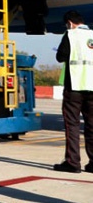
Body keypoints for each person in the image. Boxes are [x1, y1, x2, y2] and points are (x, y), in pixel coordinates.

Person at [53, 10, 93, 173]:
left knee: (72, 126)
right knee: (92, 126)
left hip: (74, 87)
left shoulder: (70, 35)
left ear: (69, 23)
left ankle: (72, 162)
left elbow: (60, 57)